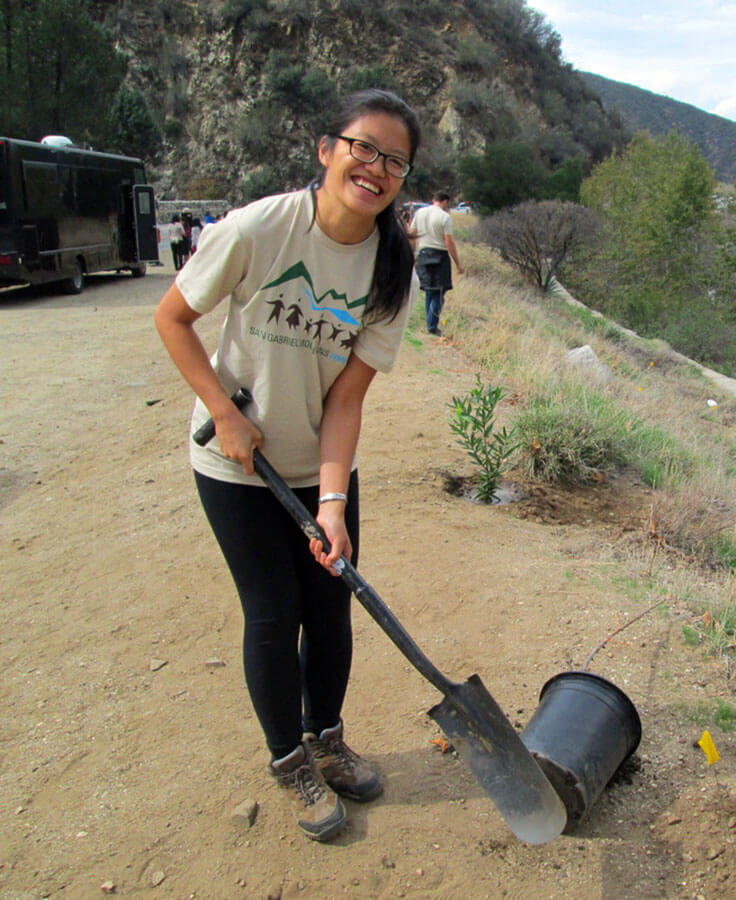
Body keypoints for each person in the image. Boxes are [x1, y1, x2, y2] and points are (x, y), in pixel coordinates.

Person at [154, 89, 421, 843]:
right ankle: (288, 760)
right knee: (273, 615)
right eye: (363, 148)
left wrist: (332, 502)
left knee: (331, 608)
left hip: (318, 466)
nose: (375, 168)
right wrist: (227, 412)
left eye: (394, 161)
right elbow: (172, 318)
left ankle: (326, 737)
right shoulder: (260, 228)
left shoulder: (391, 271)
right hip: (235, 466)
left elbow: (345, 401)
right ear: (326, 149)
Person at [409, 191, 464, 335]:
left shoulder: (420, 213)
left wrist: (413, 254)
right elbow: (449, 242)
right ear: (445, 201)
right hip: (439, 255)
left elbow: (412, 233)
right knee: (439, 292)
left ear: (434, 199)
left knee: (429, 290)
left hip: (423, 253)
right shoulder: (445, 217)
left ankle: (430, 323)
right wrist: (458, 263)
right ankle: (432, 325)